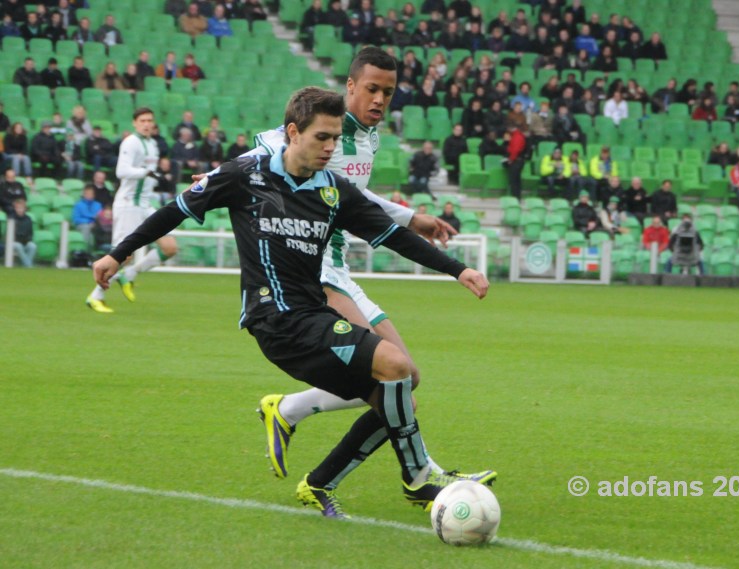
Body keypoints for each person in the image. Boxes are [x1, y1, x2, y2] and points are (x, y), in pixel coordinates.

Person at [92, 86, 492, 518]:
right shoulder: (245, 174)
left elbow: (393, 236)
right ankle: (417, 477)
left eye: (336, 138)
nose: (330, 147)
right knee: (395, 366)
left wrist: (458, 269)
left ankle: (320, 483)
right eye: (322, 137)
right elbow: (174, 210)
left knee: (397, 399)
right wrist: (118, 254)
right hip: (275, 319)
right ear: (292, 132)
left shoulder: (333, 190)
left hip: (312, 316)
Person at [217, 49, 493, 500]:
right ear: (349, 87)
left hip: (341, 267)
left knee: (408, 380)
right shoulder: (323, 129)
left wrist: (408, 217)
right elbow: (268, 147)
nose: (381, 98)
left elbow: (356, 200)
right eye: (372, 89)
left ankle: (291, 414)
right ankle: (421, 474)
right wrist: (216, 176)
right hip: (313, 267)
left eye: (388, 90)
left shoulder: (368, 138)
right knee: (392, 376)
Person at [85, 108, 179, 313]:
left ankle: (130, 275)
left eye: (149, 121)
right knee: (122, 255)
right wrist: (146, 172)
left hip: (145, 203)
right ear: (135, 123)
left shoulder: (153, 144)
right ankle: (95, 296)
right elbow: (121, 171)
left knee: (170, 248)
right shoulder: (131, 142)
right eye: (142, 120)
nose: (146, 124)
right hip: (129, 204)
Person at [72, 185, 103, 250]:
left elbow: (100, 217)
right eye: (87, 194)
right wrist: (88, 221)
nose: (89, 195)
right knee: (86, 227)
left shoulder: (98, 205)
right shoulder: (78, 205)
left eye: (91, 194)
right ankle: (85, 249)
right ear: (84, 194)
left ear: (94, 195)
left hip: (96, 225)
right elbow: (76, 219)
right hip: (82, 225)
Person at [9, 198, 37, 267]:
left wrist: (27, 240)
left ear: (24, 209)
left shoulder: (28, 219)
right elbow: (10, 234)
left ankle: (26, 265)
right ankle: (28, 266)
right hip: (14, 242)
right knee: (18, 246)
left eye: (21, 208)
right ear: (15, 209)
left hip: (25, 241)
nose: (20, 210)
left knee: (32, 246)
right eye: (18, 208)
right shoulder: (11, 219)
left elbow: (30, 233)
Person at [505, 123, 527, 200]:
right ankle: (517, 197)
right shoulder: (518, 136)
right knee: (516, 179)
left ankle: (515, 197)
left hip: (516, 160)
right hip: (518, 160)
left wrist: (511, 159)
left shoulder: (516, 137)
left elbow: (515, 150)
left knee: (514, 179)